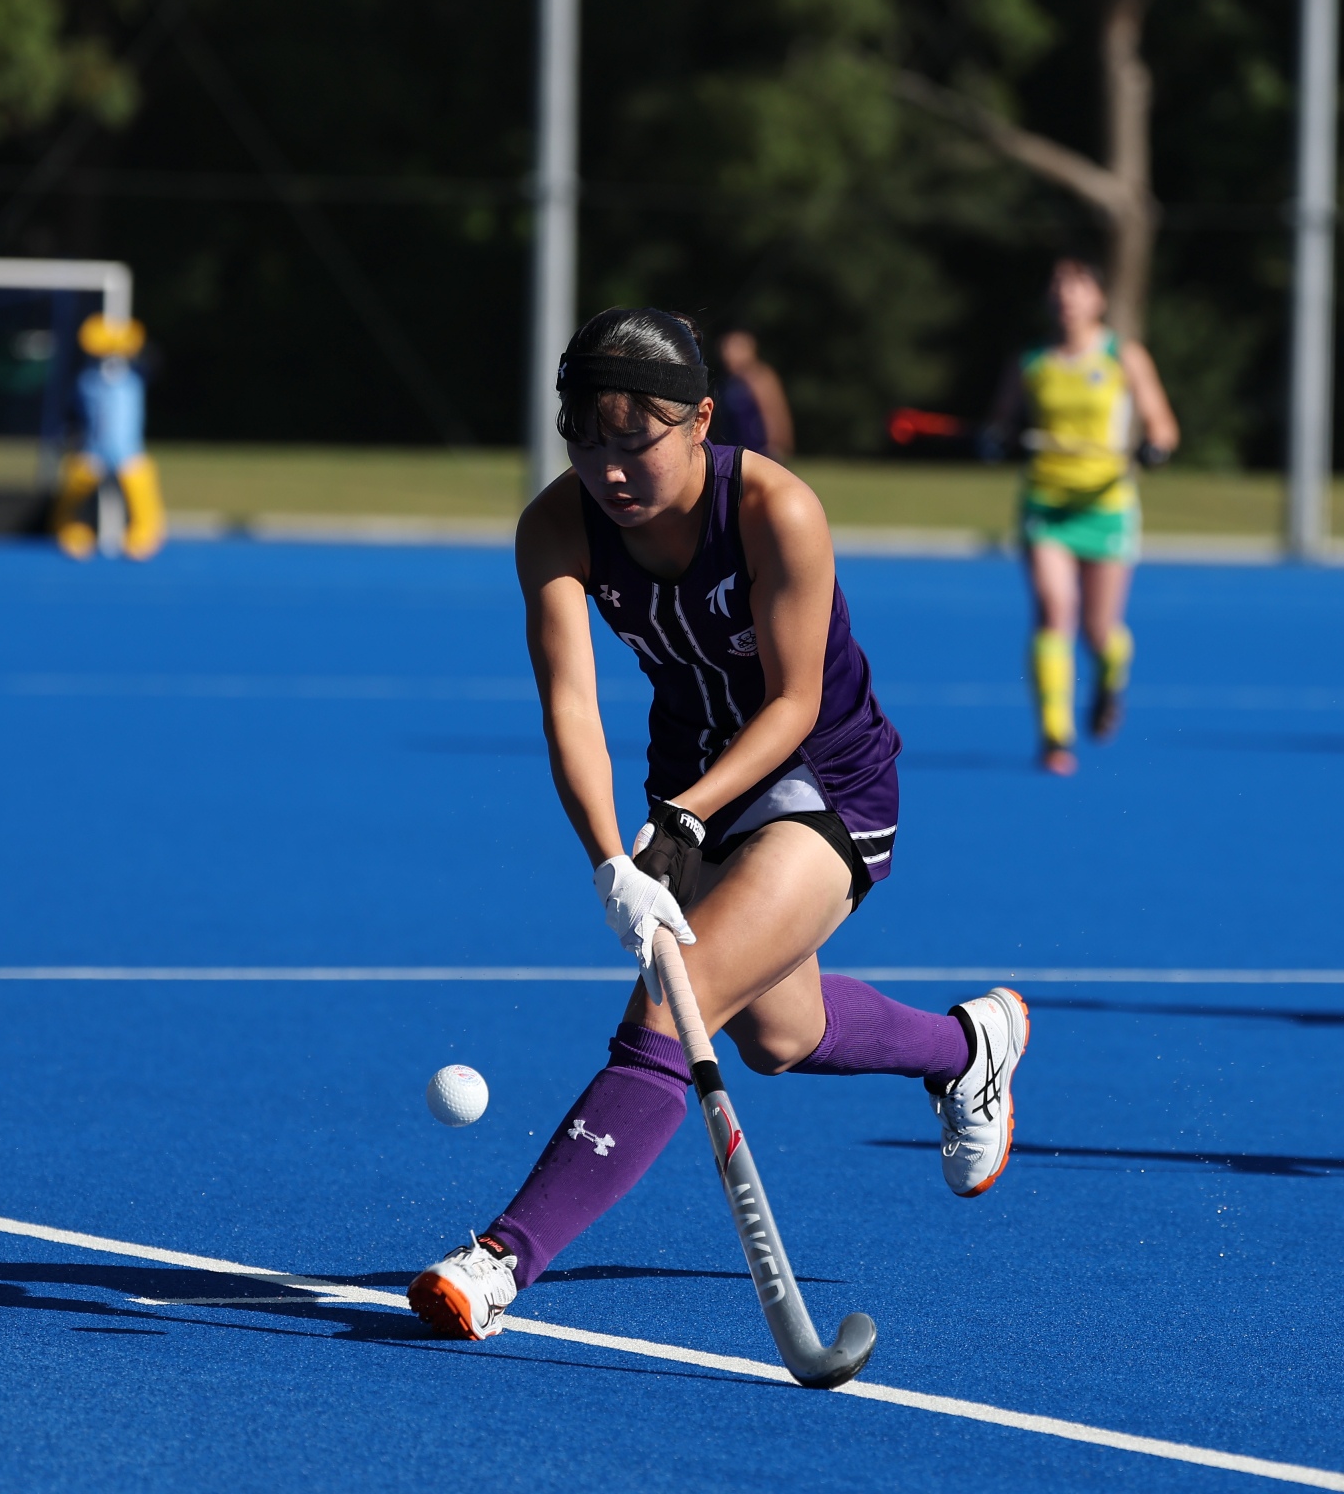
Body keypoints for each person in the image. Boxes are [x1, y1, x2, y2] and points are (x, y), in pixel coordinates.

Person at [406, 308, 1029, 1342]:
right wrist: (610, 858)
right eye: (584, 441)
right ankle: (967, 1047)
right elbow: (572, 710)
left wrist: (684, 820)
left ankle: (500, 1260)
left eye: (634, 440)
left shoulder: (777, 509)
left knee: (675, 1000)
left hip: (821, 778)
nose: (608, 470)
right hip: (691, 781)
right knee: (780, 1037)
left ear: (700, 420)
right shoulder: (557, 527)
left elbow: (792, 702)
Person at [985, 259, 1180, 775]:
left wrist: (1155, 448)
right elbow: (1000, 423)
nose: (1066, 296)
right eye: (1058, 287)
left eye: (1078, 286)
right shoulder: (1032, 362)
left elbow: (1163, 425)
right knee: (1054, 609)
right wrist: (996, 441)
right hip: (1046, 505)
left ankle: (1110, 678)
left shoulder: (1123, 356)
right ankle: (1055, 736)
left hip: (1106, 505)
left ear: (1099, 299)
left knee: (1099, 631)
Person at [47, 313, 167, 561]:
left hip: (128, 450)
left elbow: (154, 360)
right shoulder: (85, 381)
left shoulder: (135, 377)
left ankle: (144, 533)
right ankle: (72, 529)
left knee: (139, 482)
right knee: (77, 485)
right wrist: (68, 435)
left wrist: (126, 342)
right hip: (93, 449)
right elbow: (72, 414)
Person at [711, 329, 794, 460]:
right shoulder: (727, 382)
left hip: (759, 451)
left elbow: (775, 414)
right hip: (734, 449)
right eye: (725, 349)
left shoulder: (761, 378)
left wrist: (778, 446)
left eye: (734, 349)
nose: (727, 354)